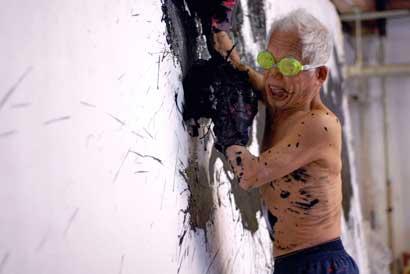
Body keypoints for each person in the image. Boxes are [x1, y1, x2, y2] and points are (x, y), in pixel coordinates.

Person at [213, 7, 360, 274]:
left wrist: (230, 136)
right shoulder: (282, 100)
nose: (274, 77)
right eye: (269, 60)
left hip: (320, 264)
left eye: (289, 66)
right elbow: (246, 73)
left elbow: (250, 174)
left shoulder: (319, 126)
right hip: (292, 262)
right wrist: (220, 35)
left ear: (320, 75)